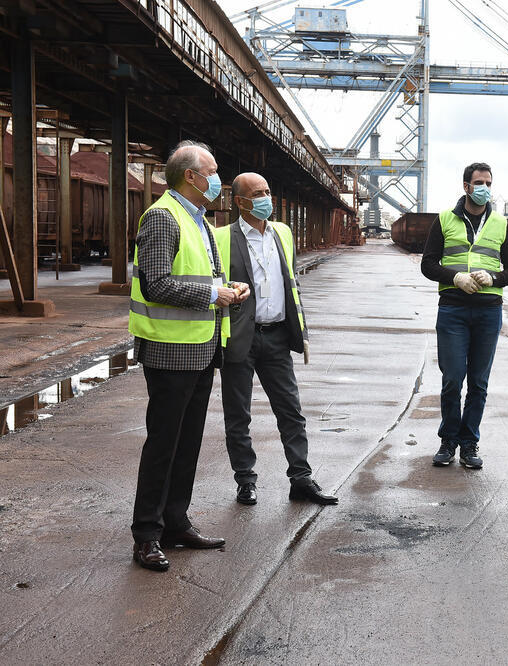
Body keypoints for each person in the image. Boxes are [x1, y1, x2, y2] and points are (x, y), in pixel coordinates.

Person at [128, 141, 249, 572]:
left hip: (199, 348)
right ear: (190, 176)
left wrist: (228, 288)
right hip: (168, 350)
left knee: (188, 444)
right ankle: (146, 534)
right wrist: (213, 294)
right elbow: (156, 284)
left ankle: (176, 522)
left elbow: (202, 277)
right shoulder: (163, 217)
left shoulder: (197, 219)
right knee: (164, 443)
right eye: (212, 171)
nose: (218, 179)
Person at [214, 172, 338, 507]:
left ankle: (301, 478)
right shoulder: (222, 238)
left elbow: (288, 280)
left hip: (278, 336)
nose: (266, 198)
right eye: (258, 193)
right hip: (241, 337)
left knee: (291, 411)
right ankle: (246, 481)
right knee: (238, 415)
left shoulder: (283, 232)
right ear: (240, 202)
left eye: (268, 191)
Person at [420, 162, 508, 469]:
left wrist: (494, 278)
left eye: (488, 183)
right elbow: (428, 264)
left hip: (489, 312)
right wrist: (456, 278)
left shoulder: (502, 224)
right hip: (453, 309)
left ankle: (469, 442)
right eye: (479, 183)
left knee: (478, 382)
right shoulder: (444, 220)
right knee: (452, 379)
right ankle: (448, 439)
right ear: (465, 186)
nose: (485, 188)